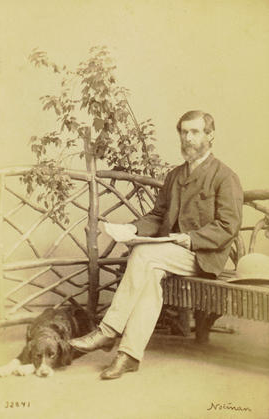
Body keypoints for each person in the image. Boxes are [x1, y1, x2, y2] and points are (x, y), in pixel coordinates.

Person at [70, 110, 244, 379]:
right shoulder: (175, 176)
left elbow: (227, 226)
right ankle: (129, 355)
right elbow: (158, 215)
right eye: (184, 132)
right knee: (149, 270)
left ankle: (107, 332)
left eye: (195, 132)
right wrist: (132, 228)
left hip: (203, 257)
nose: (188, 138)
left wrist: (191, 239)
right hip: (167, 254)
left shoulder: (225, 176)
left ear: (211, 136)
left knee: (143, 255)